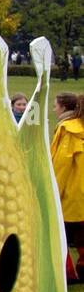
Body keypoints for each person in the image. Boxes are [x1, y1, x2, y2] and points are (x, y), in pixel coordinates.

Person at [52, 93, 84, 282]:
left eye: (55, 106)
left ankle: (68, 272)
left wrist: (53, 190)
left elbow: (61, 164)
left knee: (59, 233)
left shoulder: (68, 130)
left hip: (71, 192)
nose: (54, 109)